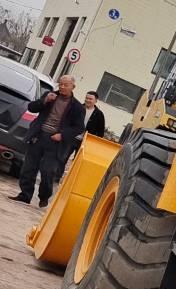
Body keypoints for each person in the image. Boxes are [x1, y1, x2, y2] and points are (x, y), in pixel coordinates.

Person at [9, 75, 85, 209]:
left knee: (47, 171)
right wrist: (44, 100)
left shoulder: (78, 107)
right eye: (60, 84)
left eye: (65, 85)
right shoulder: (49, 96)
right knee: (29, 168)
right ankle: (25, 195)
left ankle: (44, 196)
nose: (62, 87)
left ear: (73, 87)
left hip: (55, 142)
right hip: (39, 136)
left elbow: (79, 128)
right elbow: (32, 107)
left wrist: (62, 135)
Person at [68, 89, 106, 162]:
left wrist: (94, 144)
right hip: (72, 137)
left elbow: (100, 132)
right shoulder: (78, 108)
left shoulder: (99, 114)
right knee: (63, 158)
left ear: (95, 101)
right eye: (86, 98)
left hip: (85, 142)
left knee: (77, 161)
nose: (87, 100)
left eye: (90, 99)